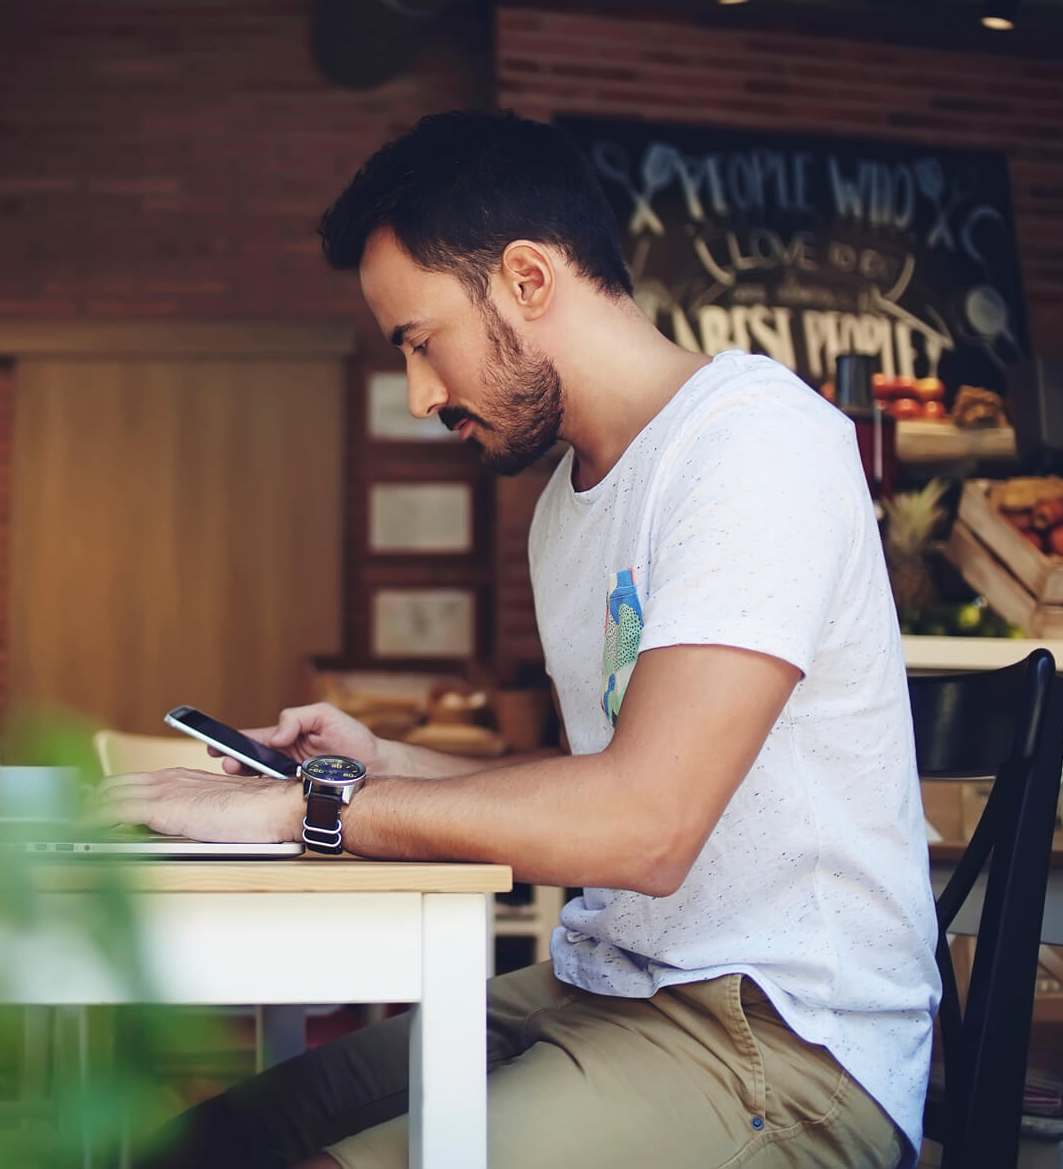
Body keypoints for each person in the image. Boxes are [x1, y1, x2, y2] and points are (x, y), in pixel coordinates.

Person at [102, 111, 940, 1169]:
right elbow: (606, 784)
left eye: (419, 342)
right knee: (205, 1145)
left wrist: (305, 804)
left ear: (528, 279)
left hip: (776, 1046)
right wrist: (386, 764)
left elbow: (645, 825)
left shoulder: (753, 446)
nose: (419, 396)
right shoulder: (567, 504)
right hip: (598, 984)